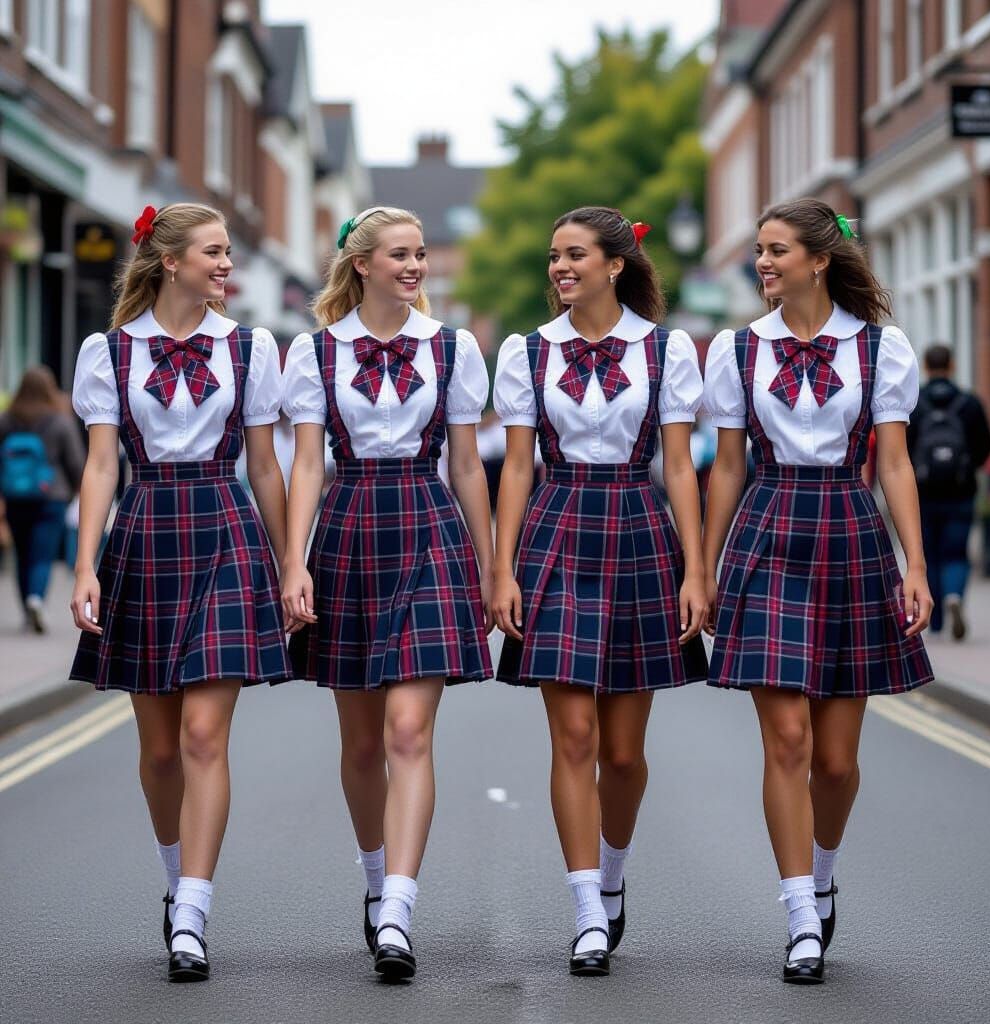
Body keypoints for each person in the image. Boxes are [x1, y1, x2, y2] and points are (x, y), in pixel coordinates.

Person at [701, 199, 934, 985]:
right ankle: (800, 912)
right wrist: (704, 566)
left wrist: (916, 564)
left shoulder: (882, 348)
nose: (762, 263)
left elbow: (895, 462)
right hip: (767, 530)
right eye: (760, 251)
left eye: (775, 251)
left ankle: (823, 869)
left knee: (835, 763)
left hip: (849, 529)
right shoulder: (735, 351)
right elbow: (726, 467)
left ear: (818, 259)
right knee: (788, 743)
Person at [69, 203, 291, 983]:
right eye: (214, 253)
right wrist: (85, 563)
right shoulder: (109, 352)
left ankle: (193, 911)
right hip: (145, 527)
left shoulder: (251, 347)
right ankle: (177, 879)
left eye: (228, 252)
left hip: (227, 530)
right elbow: (101, 465)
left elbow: (265, 465)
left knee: (204, 737)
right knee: (160, 749)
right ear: (171, 261)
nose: (227, 265)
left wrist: (290, 559)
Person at [491, 207, 708, 977]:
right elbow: (516, 466)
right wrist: (502, 565)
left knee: (621, 754)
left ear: (615, 264)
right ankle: (586, 906)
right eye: (553, 256)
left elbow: (680, 466)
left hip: (640, 526)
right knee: (573, 740)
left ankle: (612, 877)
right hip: (555, 526)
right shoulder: (526, 353)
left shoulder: (668, 348)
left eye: (574, 255)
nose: (559, 268)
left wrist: (697, 565)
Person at [281, 206, 493, 982]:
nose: (416, 266)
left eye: (422, 253)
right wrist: (294, 560)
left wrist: (489, 565)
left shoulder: (454, 346)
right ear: (362, 263)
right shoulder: (312, 353)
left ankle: (399, 909)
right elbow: (307, 464)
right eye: (400, 254)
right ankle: (375, 883)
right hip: (347, 528)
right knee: (365, 742)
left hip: (430, 526)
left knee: (409, 732)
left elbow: (468, 466)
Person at [907, 343, 990, 639]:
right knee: (956, 553)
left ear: (926, 366)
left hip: (924, 494)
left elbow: (902, 449)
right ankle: (954, 594)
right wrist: (969, 469)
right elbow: (984, 445)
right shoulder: (969, 403)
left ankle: (938, 620)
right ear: (952, 365)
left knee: (929, 554)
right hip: (961, 492)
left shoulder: (916, 404)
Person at [0, 366, 85, 632]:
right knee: (42, 555)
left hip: (15, 497)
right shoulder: (59, 420)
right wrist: (76, 490)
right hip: (52, 496)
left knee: (23, 553)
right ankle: (37, 598)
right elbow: (75, 461)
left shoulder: (6, 419)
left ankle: (27, 606)